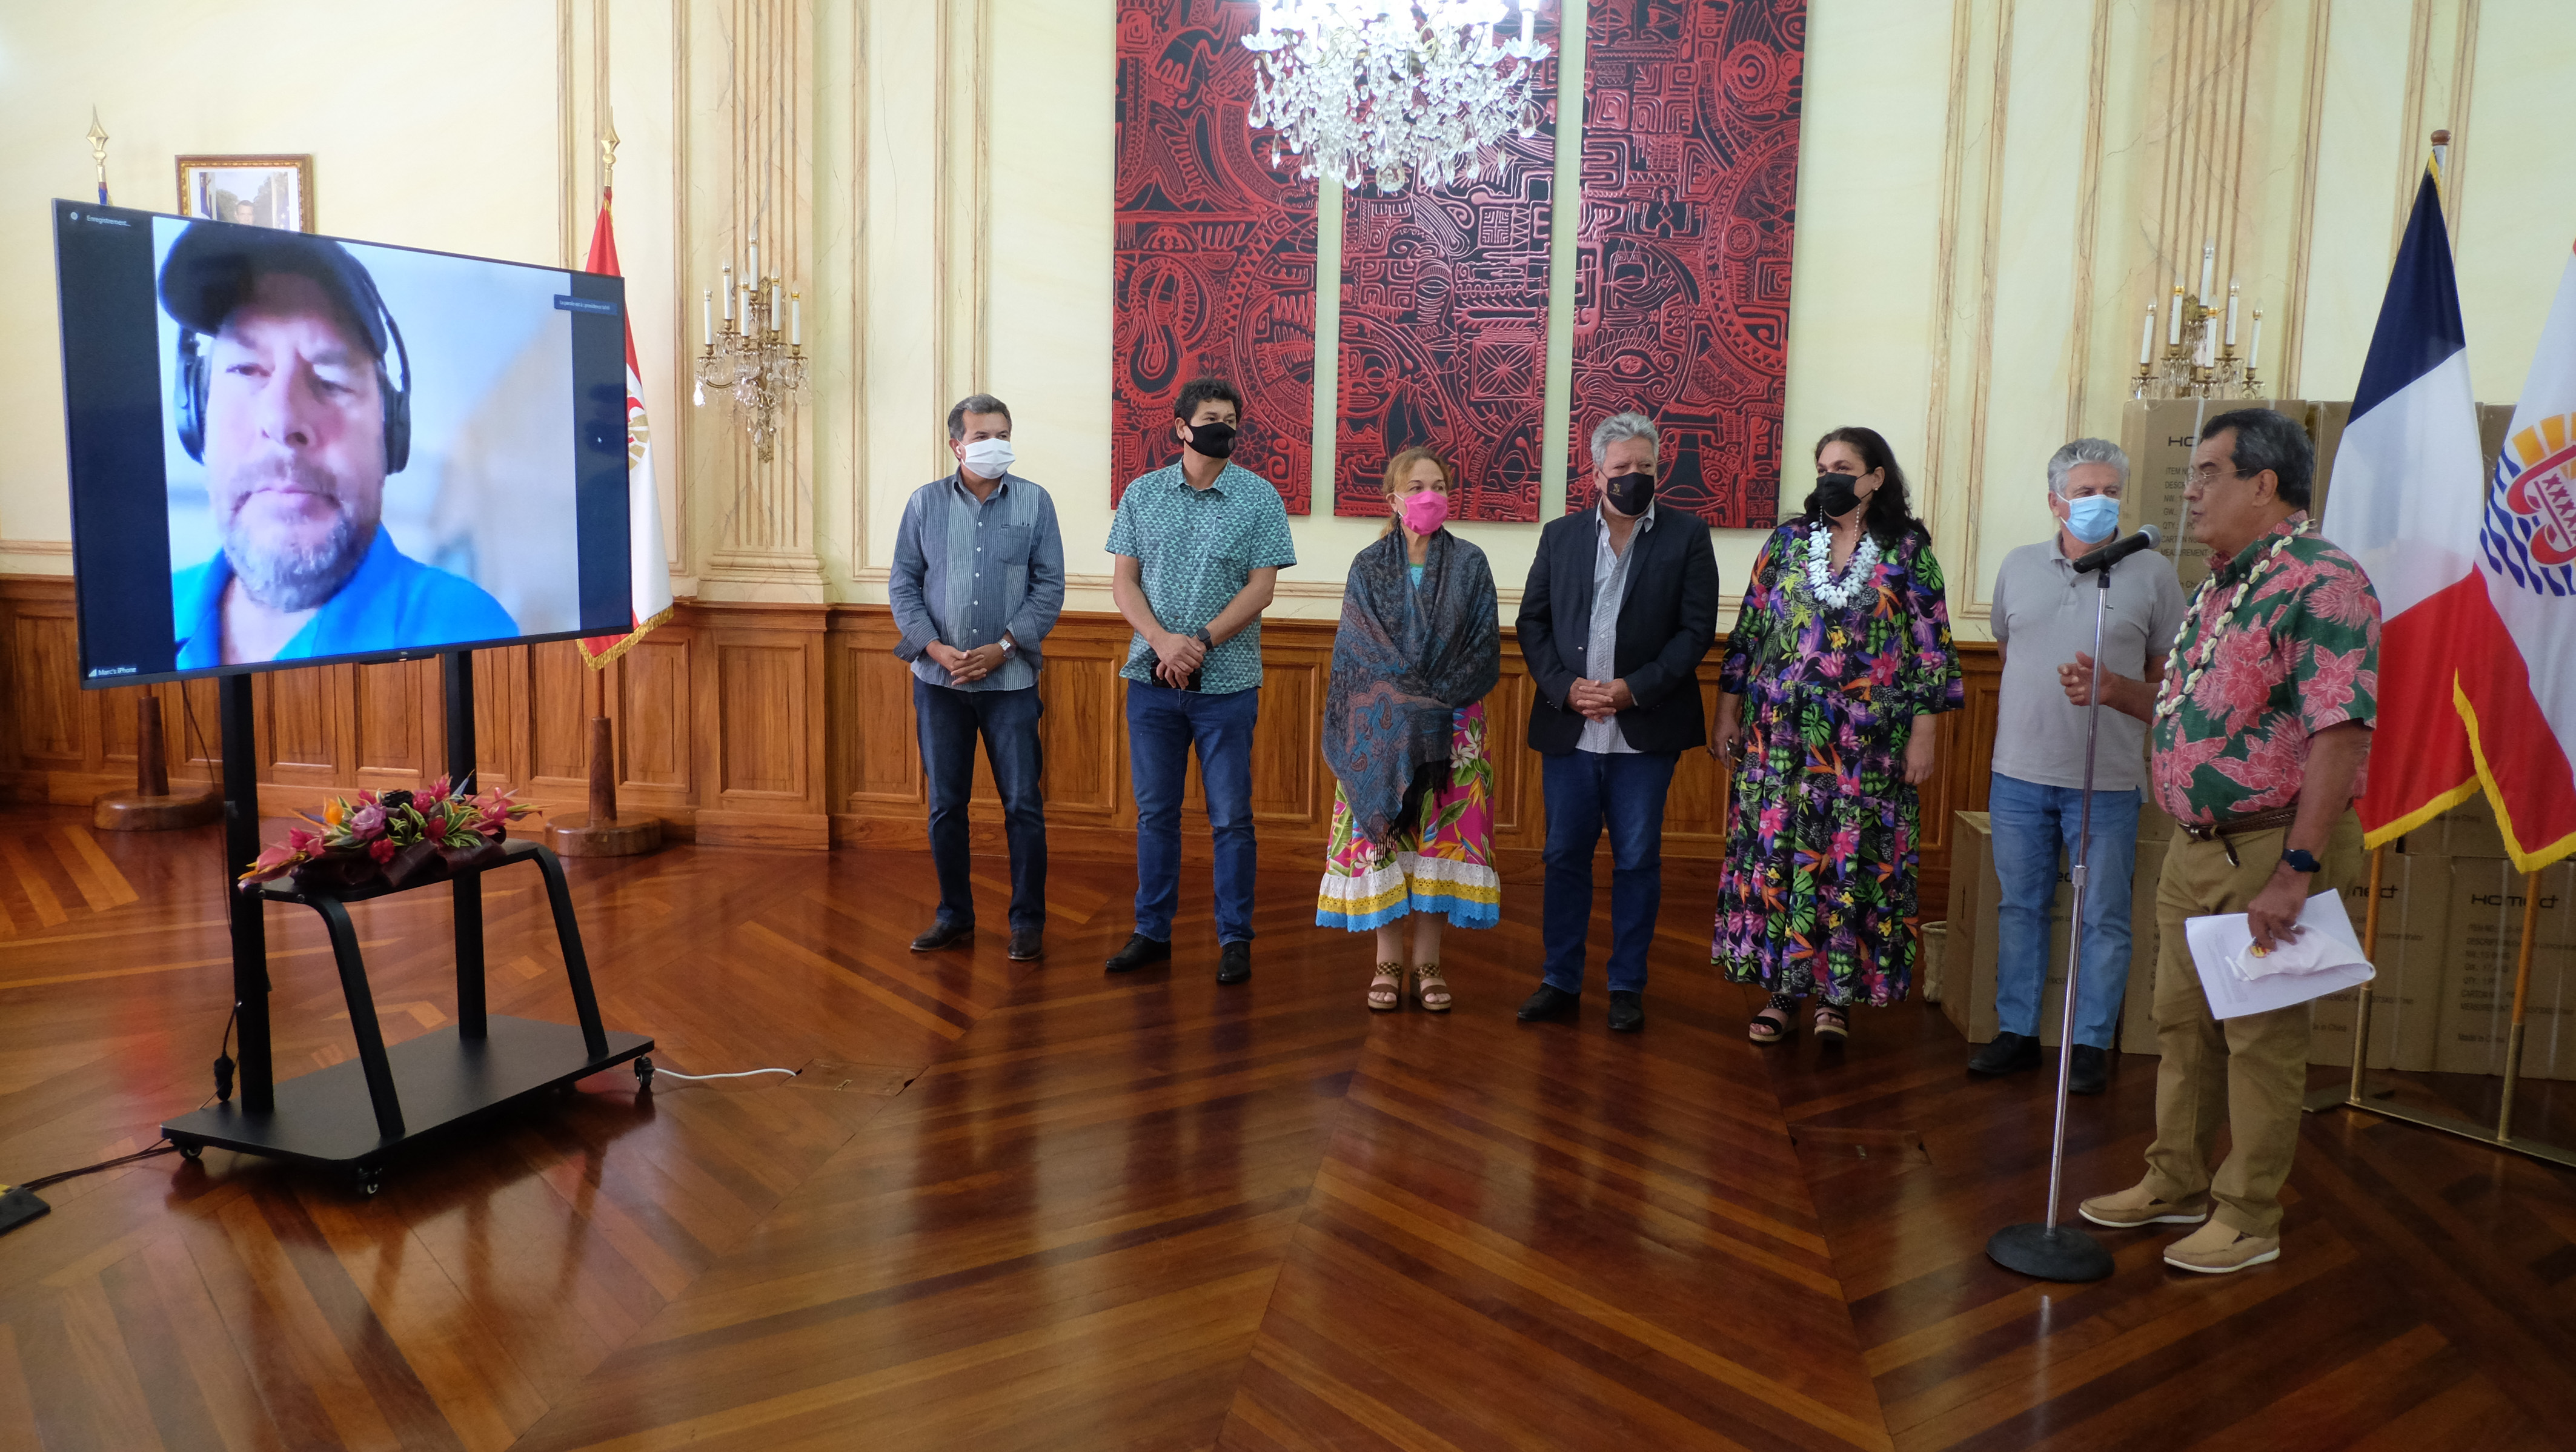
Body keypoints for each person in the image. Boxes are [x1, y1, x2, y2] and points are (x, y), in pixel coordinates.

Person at [2073, 407, 2376, 1275]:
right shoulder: (2220, 584)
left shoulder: (2324, 581)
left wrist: (2298, 869)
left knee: (2260, 1039)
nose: (2192, 489)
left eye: (2209, 473)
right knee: (2183, 1026)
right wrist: (2118, 691)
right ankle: (2173, 1180)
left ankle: (2247, 1216)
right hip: (2196, 846)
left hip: (2274, 849)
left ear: (2264, 485)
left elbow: (2341, 733)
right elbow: (2199, 713)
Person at [159, 224, 514, 668]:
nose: (283, 421)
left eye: (330, 381)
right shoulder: (145, 620)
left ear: (390, 435)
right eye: (247, 370)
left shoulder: (468, 632)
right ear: (196, 416)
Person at [1712, 426, 1962, 1045]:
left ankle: (1836, 996)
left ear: (1875, 477)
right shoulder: (1789, 542)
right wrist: (1726, 711)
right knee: (1784, 865)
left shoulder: (1907, 552)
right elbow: (1747, 633)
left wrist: (1923, 737)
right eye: (1822, 466)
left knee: (1847, 865)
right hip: (1781, 746)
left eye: (1843, 466)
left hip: (1864, 751)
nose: (1830, 476)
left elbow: (1933, 653)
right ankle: (1781, 989)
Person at [1974, 439, 2183, 1093]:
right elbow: (2010, 653)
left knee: (2104, 916)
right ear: (2054, 501)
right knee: (2021, 907)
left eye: (2111, 491)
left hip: (2108, 780)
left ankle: (2089, 1043)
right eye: (2085, 490)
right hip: (2019, 772)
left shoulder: (2154, 574)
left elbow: (2162, 677)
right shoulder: (2018, 566)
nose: (2099, 502)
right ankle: (2015, 1033)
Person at [1515, 413, 1720, 1033]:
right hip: (1570, 728)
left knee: (1636, 859)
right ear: (1595, 472)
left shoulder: (1687, 536)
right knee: (1564, 856)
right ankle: (1560, 979)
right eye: (1622, 468)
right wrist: (1562, 686)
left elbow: (1695, 633)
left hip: (1645, 728)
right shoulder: (1560, 536)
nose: (1634, 478)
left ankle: (1627, 985)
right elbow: (1533, 622)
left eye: (1646, 468)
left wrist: (1633, 690)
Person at [1104, 376, 1298, 985]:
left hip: (1228, 684)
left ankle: (1234, 937)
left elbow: (1261, 589)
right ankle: (1151, 932)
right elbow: (1123, 583)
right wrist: (1164, 642)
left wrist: (1201, 643)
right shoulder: (1141, 494)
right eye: (1211, 418)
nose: (1224, 428)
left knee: (1231, 817)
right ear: (1181, 427)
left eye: (1232, 420)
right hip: (1153, 681)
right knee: (1155, 813)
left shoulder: (1260, 498)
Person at [1315, 449, 1502, 1012]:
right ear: (1392, 498)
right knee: (1387, 840)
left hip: (1455, 727)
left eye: (1439, 485)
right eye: (1416, 485)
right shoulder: (1368, 565)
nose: (1428, 494)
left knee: (1438, 842)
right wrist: (1407, 700)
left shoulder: (1471, 563)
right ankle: (1386, 962)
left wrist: (1431, 698)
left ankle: (1429, 963)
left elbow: (1483, 645)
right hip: (1382, 729)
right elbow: (1360, 651)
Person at [886, 393, 1065, 963]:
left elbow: (1049, 587)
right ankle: (954, 915)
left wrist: (1004, 646)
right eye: (984, 435)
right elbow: (903, 586)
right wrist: (936, 649)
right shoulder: (923, 505)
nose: (996, 445)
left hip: (1010, 682)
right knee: (945, 804)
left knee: (1022, 804)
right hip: (941, 684)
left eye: (1004, 433)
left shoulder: (1036, 503)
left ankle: (1027, 921)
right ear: (956, 444)